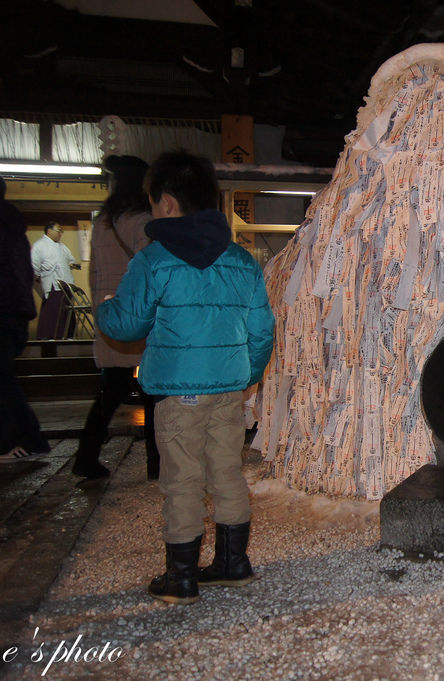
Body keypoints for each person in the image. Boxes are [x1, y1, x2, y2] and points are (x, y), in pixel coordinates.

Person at [97, 150, 275, 605]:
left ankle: (181, 577)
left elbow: (125, 325)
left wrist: (106, 305)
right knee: (227, 473)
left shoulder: (154, 260)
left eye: (154, 203)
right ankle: (233, 564)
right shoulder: (242, 261)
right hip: (228, 390)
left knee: (182, 480)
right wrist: (246, 376)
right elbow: (261, 331)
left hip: (179, 393)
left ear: (168, 203)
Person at [72, 155, 159, 479]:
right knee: (152, 391)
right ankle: (156, 464)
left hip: (111, 316)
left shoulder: (102, 222)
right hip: (137, 314)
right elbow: (147, 270)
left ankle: (86, 457)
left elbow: (94, 274)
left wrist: (102, 313)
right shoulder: (143, 220)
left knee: (110, 392)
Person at [0, 177, 51, 462]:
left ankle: (14, 441)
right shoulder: (14, 227)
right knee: (5, 379)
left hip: (4, 310)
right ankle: (30, 439)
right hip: (14, 312)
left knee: (4, 381)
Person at [31, 220, 81, 339]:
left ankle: (68, 335)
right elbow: (34, 263)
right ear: (49, 231)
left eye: (61, 231)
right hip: (52, 282)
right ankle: (49, 336)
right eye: (59, 230)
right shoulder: (39, 245)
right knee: (52, 309)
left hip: (66, 282)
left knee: (67, 310)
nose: (60, 233)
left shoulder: (62, 247)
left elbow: (70, 259)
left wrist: (74, 264)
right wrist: (36, 274)